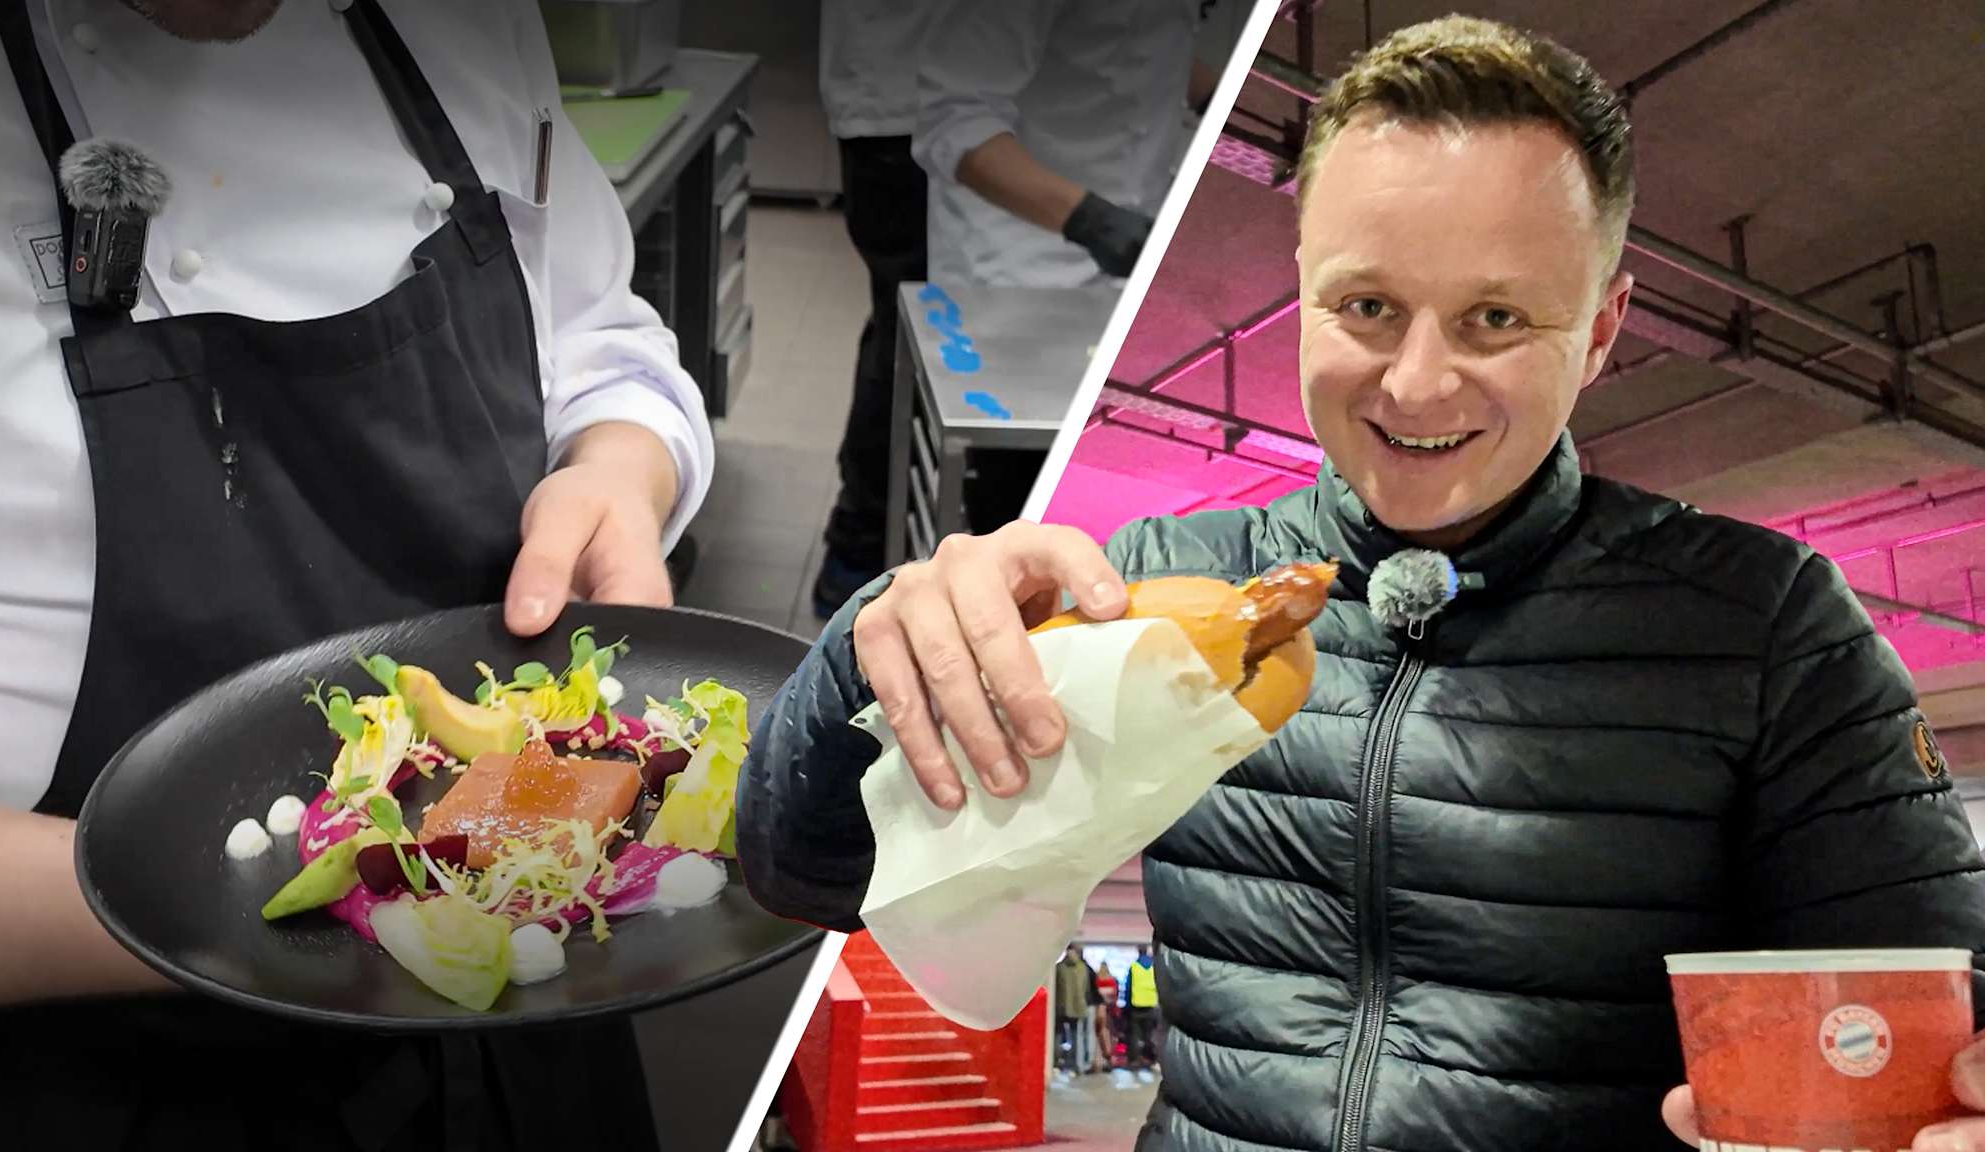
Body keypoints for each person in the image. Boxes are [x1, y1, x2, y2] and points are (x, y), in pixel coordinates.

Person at [735, 15, 1985, 1152]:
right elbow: (805, 871)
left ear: (1601, 331)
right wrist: (878, 648)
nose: (1416, 383)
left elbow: (1931, 1014)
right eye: (1368, 305)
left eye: (1496, 319)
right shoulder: (1155, 582)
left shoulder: (1765, 628)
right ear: (1300, 297)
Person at [0, 0, 708, 1147]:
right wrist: (328, 906)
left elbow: (596, 330)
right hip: (98, 1084)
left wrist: (616, 472)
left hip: (529, 1012)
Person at [908, 0, 1220, 561]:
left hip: (1126, 255)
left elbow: (1134, 39)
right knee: (1016, 509)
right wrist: (1091, 221)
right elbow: (952, 119)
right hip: (1019, 265)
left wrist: (1219, 96)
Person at [811, 0, 938, 617]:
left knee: (902, 330)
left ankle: (857, 553)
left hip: (915, 102)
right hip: (906, 110)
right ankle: (857, 559)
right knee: (909, 336)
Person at [1053, 944, 1091, 1073]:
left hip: (1061, 1006)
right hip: (1078, 1007)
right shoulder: (1083, 968)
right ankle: (1075, 1063)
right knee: (1076, 1036)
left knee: (1058, 1034)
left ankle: (1056, 1061)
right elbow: (1086, 988)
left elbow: (1056, 988)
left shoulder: (1059, 968)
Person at [1122, 945, 1159, 1075]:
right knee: (1149, 1034)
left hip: (1136, 1006)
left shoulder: (1134, 967)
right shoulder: (1154, 966)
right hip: (1151, 1005)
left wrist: (1126, 1005)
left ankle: (1134, 1060)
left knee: (1134, 1035)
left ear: (1138, 952)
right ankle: (1150, 1059)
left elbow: (1128, 987)